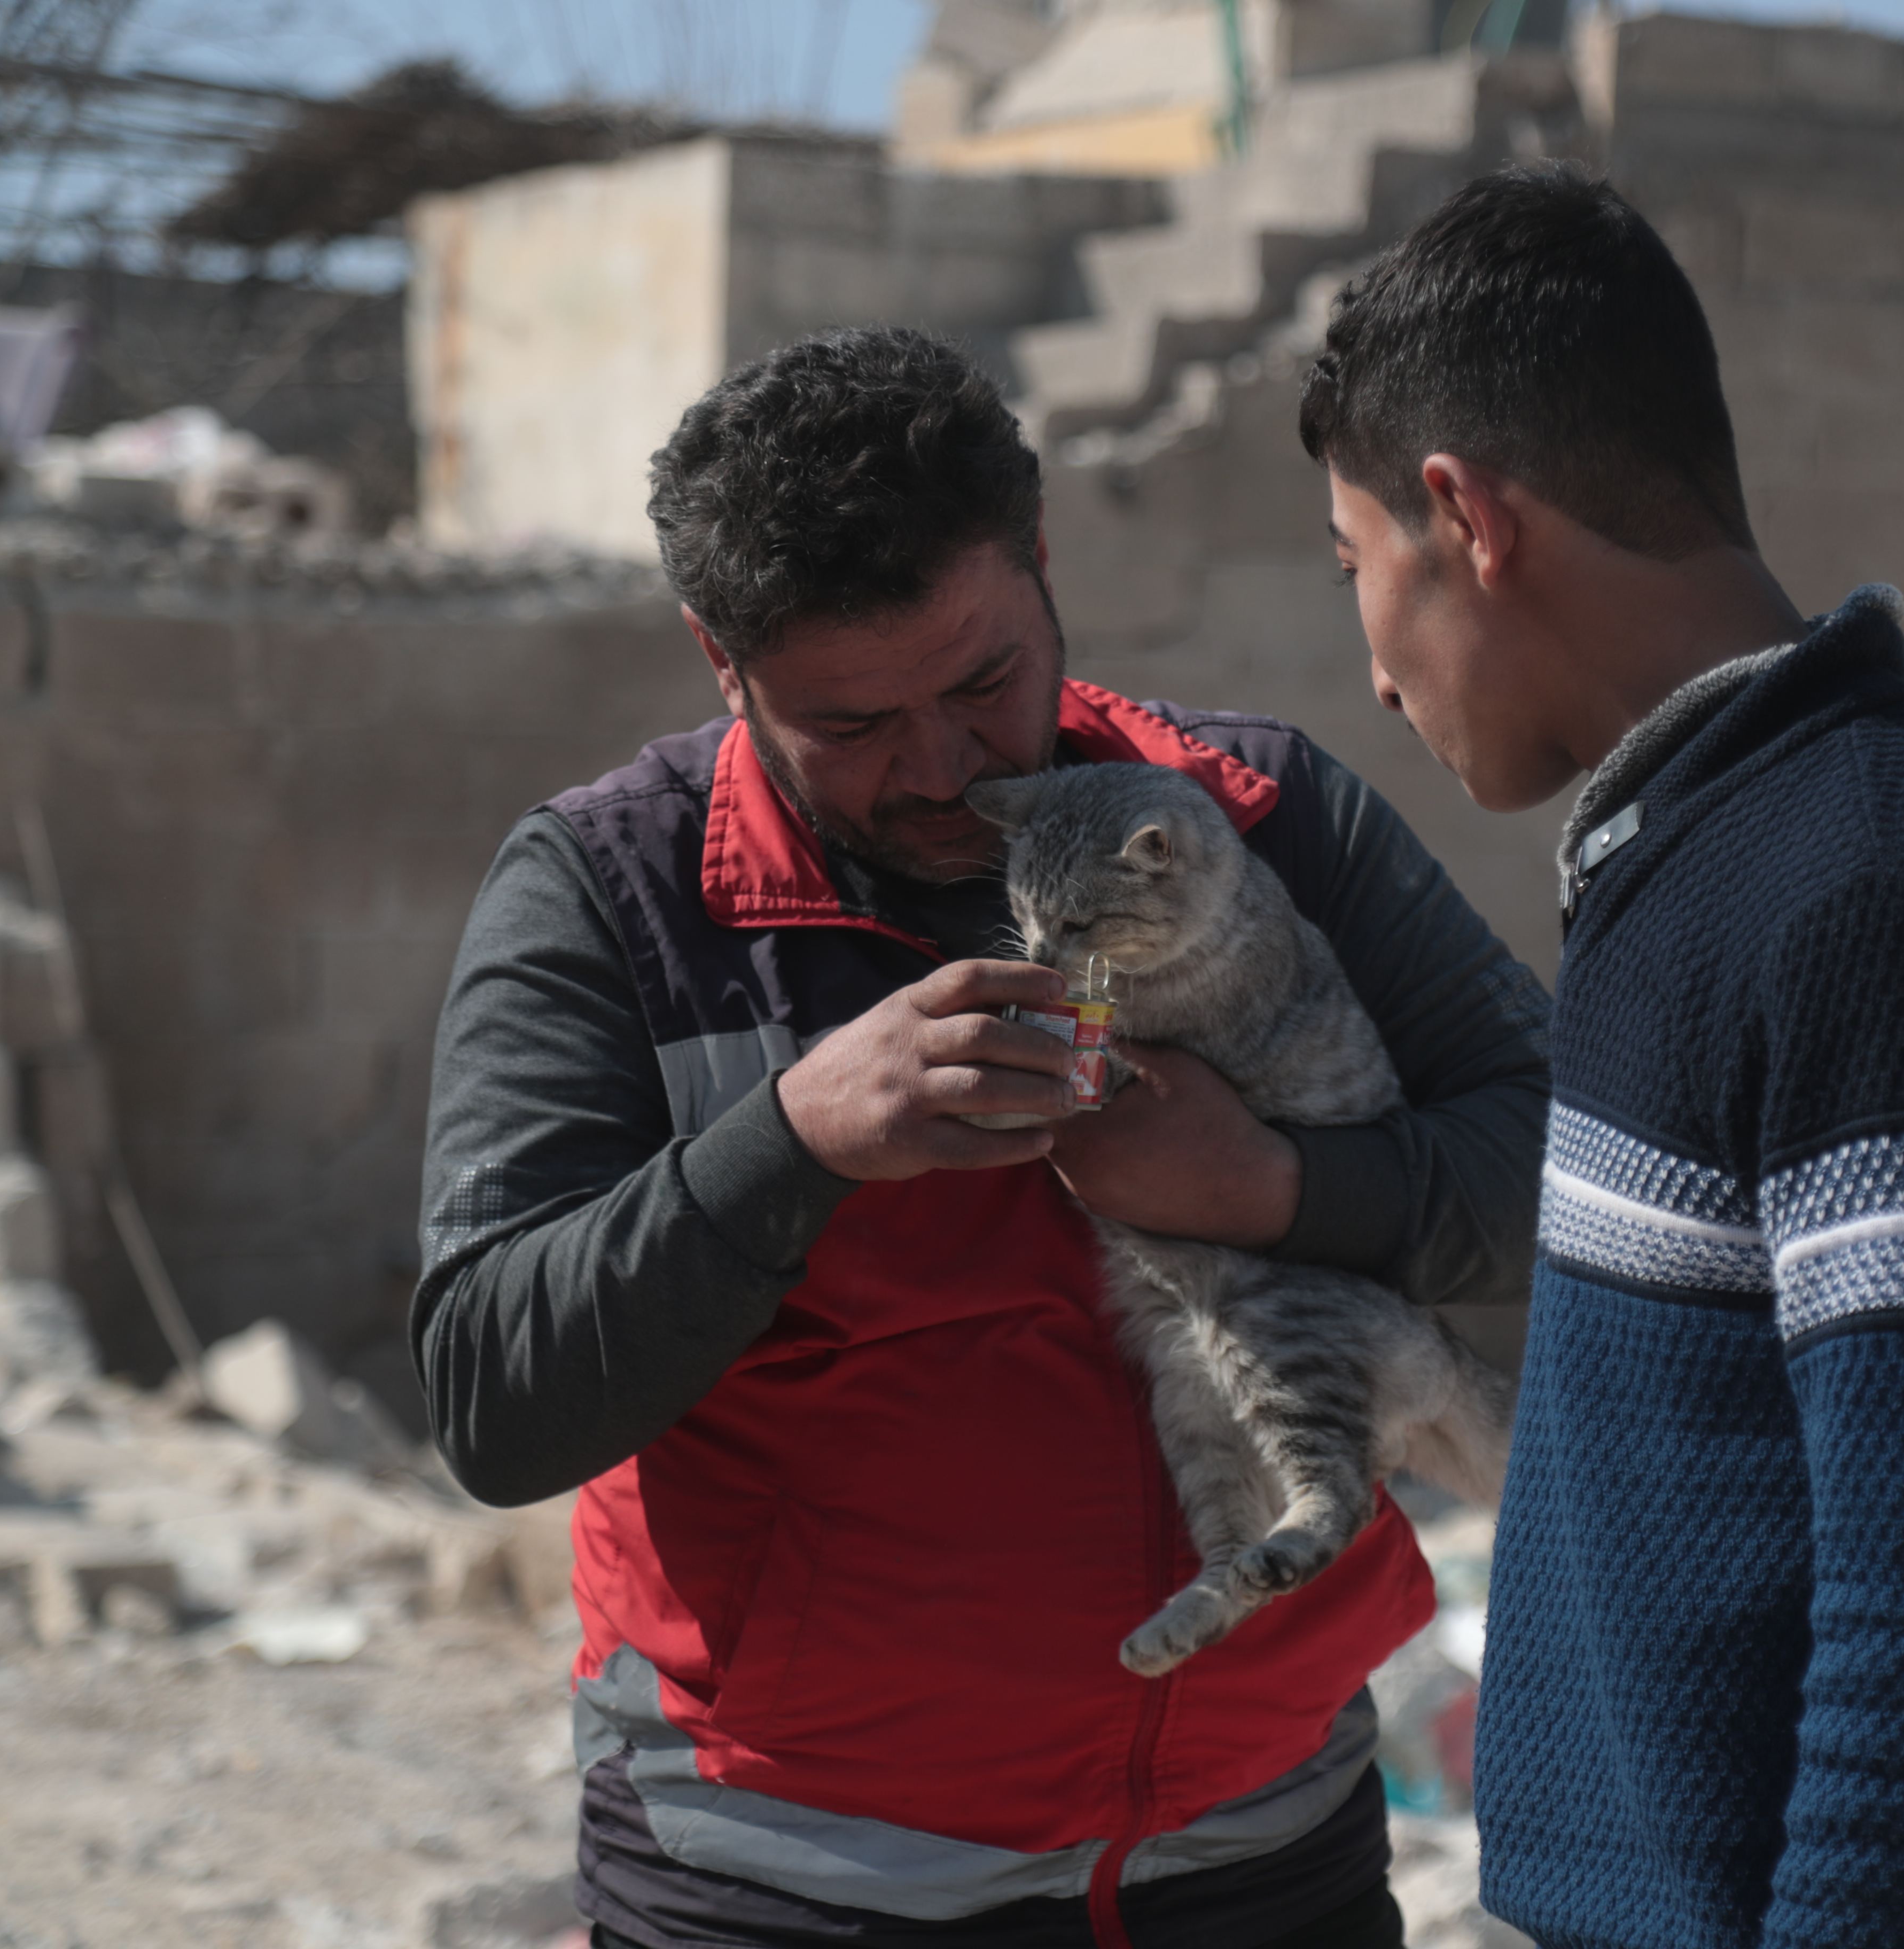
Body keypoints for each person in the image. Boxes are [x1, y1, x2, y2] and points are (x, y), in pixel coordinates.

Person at [411, 325, 1552, 1949]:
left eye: (981, 683)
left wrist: (1277, 1187)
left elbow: (1567, 1167)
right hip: (785, 1885)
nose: (941, 768)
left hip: (1265, 1847)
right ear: (717, 660)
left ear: (1040, 561)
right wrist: (791, 1144)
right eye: (851, 724)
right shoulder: (609, 901)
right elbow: (490, 1399)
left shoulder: (1251, 815)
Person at [1302, 165, 1904, 1947]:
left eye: (1353, 571)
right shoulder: (1705, 864)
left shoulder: (1878, 902)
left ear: (1463, 518)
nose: (1375, 671)